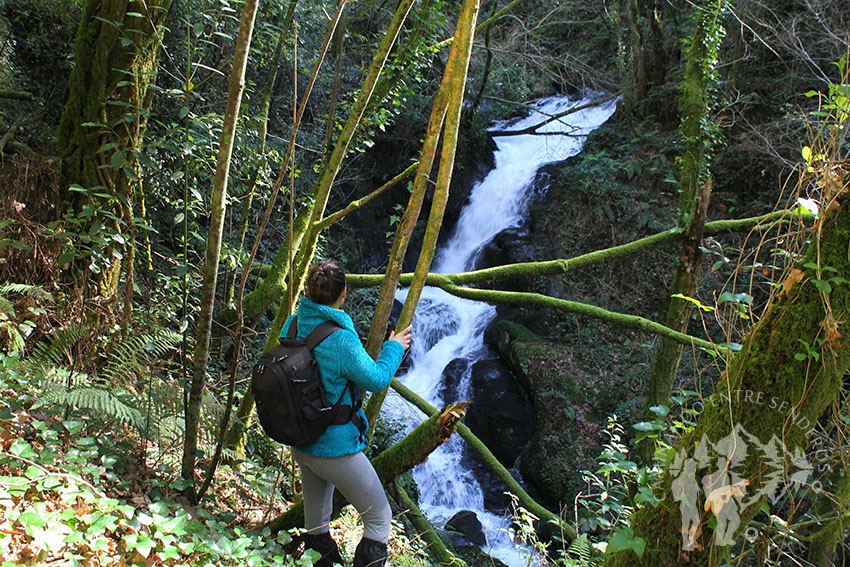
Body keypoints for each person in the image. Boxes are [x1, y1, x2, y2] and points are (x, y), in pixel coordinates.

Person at [283, 259, 412, 567]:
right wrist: (395, 347)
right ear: (343, 293)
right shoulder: (341, 339)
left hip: (302, 441)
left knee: (316, 524)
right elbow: (376, 380)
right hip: (334, 448)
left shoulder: (293, 324)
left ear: (310, 292)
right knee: (380, 519)